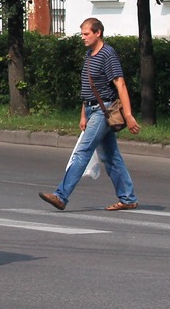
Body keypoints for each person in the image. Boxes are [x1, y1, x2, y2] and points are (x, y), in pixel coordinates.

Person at [39, 17, 142, 211]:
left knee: (82, 151)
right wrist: (83, 114)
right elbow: (89, 87)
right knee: (111, 156)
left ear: (98, 33)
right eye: (82, 34)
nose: (83, 37)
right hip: (91, 109)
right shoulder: (90, 54)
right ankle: (128, 198)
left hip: (104, 111)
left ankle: (61, 196)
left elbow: (120, 84)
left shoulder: (107, 54)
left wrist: (128, 115)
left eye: (86, 33)